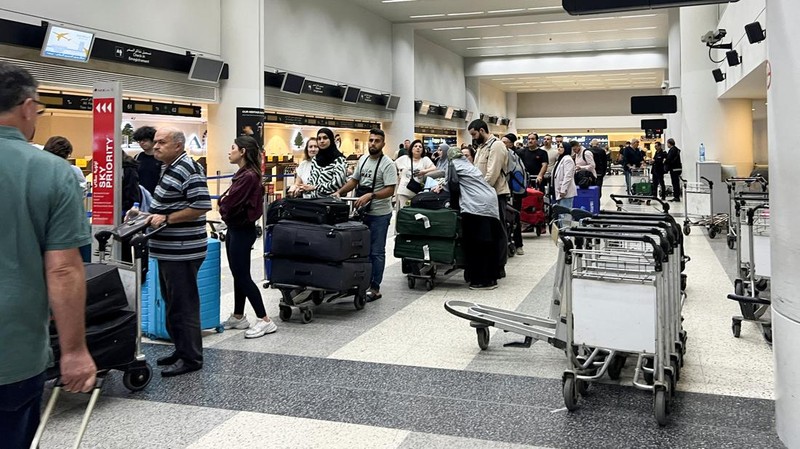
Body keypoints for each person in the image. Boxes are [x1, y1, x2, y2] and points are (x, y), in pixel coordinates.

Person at [0, 61, 96, 449]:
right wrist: (73, 351)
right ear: (27, 107)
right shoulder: (52, 172)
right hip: (13, 353)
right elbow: (63, 271)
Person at [146, 127, 212, 377]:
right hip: (169, 250)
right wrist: (146, 216)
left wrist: (167, 219)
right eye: (155, 142)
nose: (156, 146)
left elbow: (202, 205)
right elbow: (169, 204)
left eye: (161, 142)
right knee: (173, 303)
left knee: (183, 305)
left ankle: (191, 358)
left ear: (177, 145)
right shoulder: (169, 167)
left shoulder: (188, 168)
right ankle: (181, 349)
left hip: (183, 251)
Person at [219, 136, 276, 338]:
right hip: (236, 229)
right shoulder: (244, 174)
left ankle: (264, 319)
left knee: (243, 276)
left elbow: (229, 204)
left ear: (242, 151)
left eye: (232, 147)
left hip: (242, 230)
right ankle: (238, 315)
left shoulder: (248, 177)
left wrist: (222, 207)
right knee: (237, 274)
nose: (229, 151)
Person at [333, 129, 397, 302]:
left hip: (379, 214)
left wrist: (372, 195)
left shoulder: (388, 164)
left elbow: (391, 189)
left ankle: (375, 287)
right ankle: (363, 281)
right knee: (362, 251)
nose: (373, 144)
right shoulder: (363, 160)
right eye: (371, 140)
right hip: (363, 213)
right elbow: (354, 181)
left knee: (376, 252)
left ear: (383, 144)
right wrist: (339, 192)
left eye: (377, 141)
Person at [433, 146, 503, 290]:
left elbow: (451, 186)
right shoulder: (470, 166)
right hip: (490, 204)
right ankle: (491, 277)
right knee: (488, 242)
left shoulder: (453, 165)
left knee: (476, 244)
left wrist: (450, 202)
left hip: (475, 207)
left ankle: (481, 280)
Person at [43, 136, 92, 262]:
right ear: (68, 154)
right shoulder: (73, 171)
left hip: (47, 228)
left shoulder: (39, 170)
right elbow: (81, 193)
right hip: (73, 225)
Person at [394, 139, 435, 210]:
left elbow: (434, 168)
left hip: (417, 192)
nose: (418, 148)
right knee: (404, 211)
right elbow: (393, 165)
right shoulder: (404, 158)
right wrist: (398, 175)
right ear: (411, 148)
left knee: (414, 213)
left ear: (423, 150)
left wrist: (424, 171)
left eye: (420, 146)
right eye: (415, 146)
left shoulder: (425, 159)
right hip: (404, 190)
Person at [306, 128, 347, 198]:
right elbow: (311, 180)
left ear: (331, 139)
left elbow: (337, 183)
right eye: (319, 139)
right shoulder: (315, 159)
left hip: (330, 202)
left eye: (325, 138)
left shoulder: (339, 159)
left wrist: (315, 187)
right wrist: (305, 188)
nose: (322, 141)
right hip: (313, 201)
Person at [501, 133, 525, 255]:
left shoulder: (509, 154)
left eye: (505, 142)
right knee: (514, 217)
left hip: (512, 192)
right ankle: (517, 244)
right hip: (516, 191)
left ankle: (517, 243)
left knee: (513, 218)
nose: (502, 143)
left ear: (511, 144)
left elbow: (506, 171)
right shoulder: (516, 155)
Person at [132, 125, 162, 195]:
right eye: (139, 141)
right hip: (141, 195)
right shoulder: (138, 157)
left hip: (157, 195)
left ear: (153, 141)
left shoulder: (161, 157)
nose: (142, 143)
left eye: (145, 140)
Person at [553, 142, 578, 210]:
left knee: (565, 213)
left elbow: (568, 176)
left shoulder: (568, 160)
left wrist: (563, 190)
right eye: (558, 147)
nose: (559, 149)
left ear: (566, 149)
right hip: (559, 191)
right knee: (561, 213)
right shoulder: (560, 159)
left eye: (561, 147)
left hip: (565, 192)